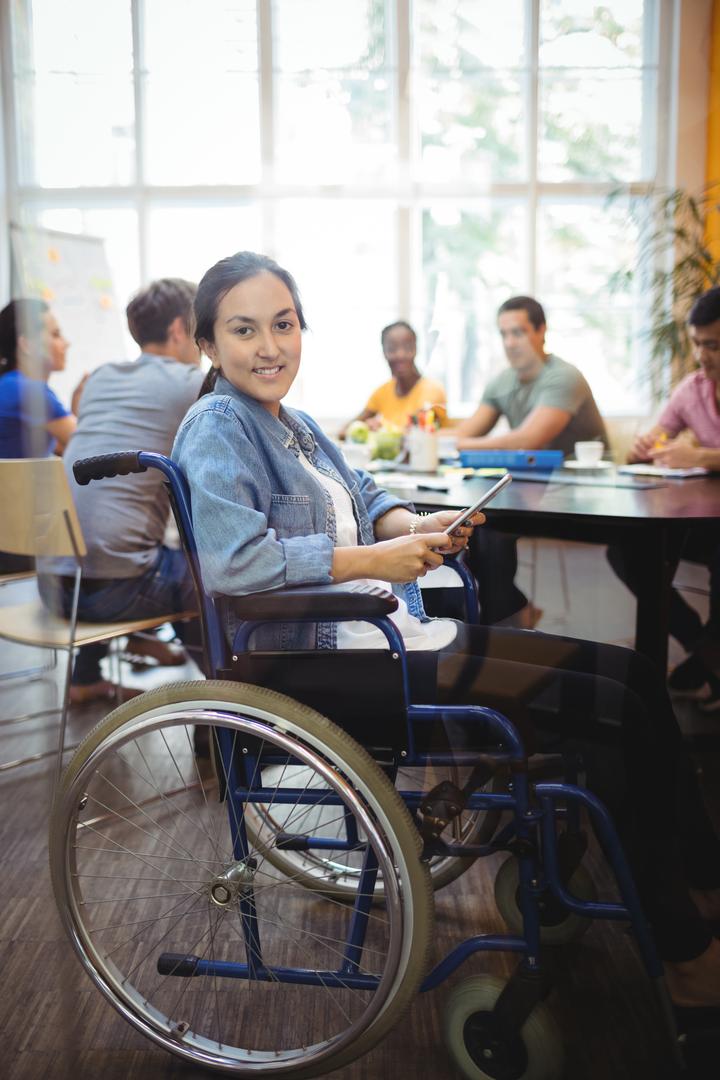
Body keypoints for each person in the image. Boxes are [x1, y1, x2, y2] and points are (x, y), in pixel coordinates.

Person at [172, 250, 720, 1014]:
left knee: (628, 673)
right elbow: (235, 564)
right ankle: (684, 946)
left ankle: (688, 879)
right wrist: (378, 557)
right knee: (606, 707)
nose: (270, 345)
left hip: (386, 634)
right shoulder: (217, 425)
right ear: (208, 343)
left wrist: (417, 525)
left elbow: (366, 494)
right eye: (244, 329)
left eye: (284, 324)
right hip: (321, 660)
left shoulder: (289, 424)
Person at [38, 278, 205, 703]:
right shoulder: (191, 382)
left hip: (51, 586)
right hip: (115, 592)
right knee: (218, 574)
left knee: (109, 539)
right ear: (178, 330)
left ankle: (85, 675)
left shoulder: (99, 378)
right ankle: (226, 705)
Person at [453, 296, 608, 628]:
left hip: (589, 496)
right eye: (504, 334)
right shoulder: (501, 382)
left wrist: (467, 444)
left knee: (487, 530)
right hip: (534, 493)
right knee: (481, 530)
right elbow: (464, 436)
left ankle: (514, 622)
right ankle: (514, 619)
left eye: (519, 332)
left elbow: (528, 439)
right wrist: (462, 442)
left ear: (541, 331)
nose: (510, 343)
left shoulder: (564, 377)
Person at [607, 286, 720, 709]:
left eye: (712, 345)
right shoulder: (693, 389)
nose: (701, 355)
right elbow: (657, 437)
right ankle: (707, 652)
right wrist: (642, 449)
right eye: (696, 344)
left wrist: (702, 456)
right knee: (629, 551)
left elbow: (695, 454)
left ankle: (710, 658)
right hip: (704, 520)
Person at [0, 298, 76, 573]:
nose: (66, 343)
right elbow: (88, 448)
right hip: (18, 545)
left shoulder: (8, 386)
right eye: (55, 334)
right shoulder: (29, 391)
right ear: (27, 344)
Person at [339, 320, 446, 436]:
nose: (400, 355)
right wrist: (363, 429)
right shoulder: (382, 392)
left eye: (407, 347)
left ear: (416, 349)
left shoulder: (432, 390)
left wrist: (382, 428)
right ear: (384, 352)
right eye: (392, 349)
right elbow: (344, 432)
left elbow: (421, 433)